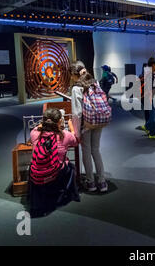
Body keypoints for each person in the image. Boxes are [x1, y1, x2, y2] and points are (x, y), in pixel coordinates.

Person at [28, 108, 80, 218]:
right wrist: (70, 126)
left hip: (36, 173)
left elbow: (37, 129)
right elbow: (76, 142)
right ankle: (68, 194)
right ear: (60, 121)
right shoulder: (65, 135)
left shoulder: (34, 133)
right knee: (70, 166)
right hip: (54, 172)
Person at [71, 61, 109, 192]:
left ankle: (91, 182)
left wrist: (77, 133)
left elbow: (77, 113)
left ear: (74, 75)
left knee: (86, 151)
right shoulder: (95, 83)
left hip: (86, 124)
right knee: (96, 150)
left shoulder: (76, 89)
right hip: (99, 120)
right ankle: (102, 182)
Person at [140, 57, 155, 139]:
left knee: (154, 116)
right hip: (150, 99)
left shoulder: (147, 73)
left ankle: (148, 128)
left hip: (149, 98)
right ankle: (152, 133)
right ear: (153, 65)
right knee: (153, 117)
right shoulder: (149, 75)